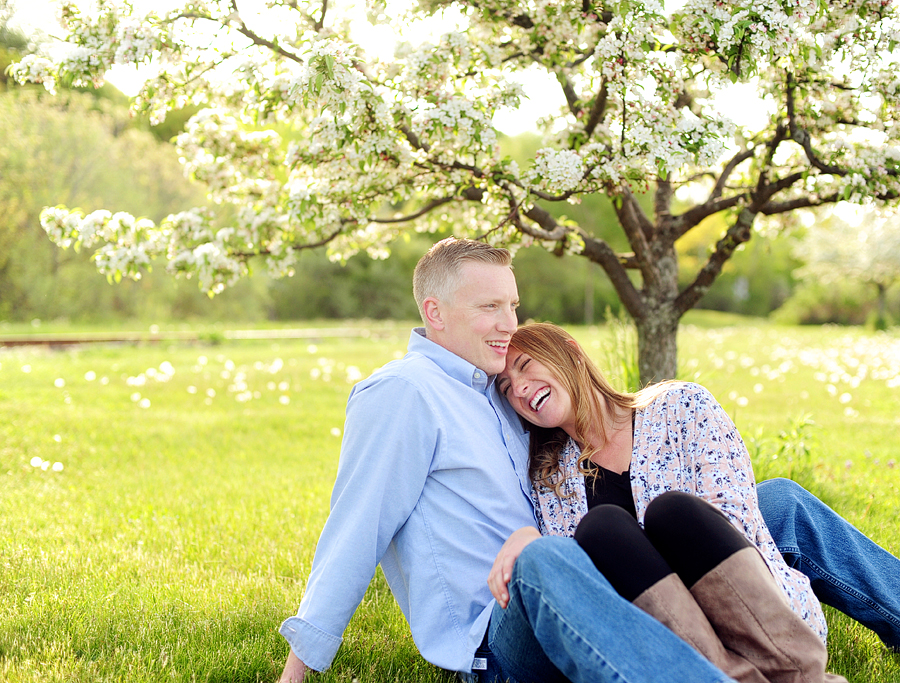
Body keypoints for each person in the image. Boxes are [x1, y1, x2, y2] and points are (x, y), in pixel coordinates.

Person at [277, 239, 733, 683]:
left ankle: (791, 648)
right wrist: (297, 668)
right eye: (489, 307)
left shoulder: (500, 389)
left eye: (512, 306)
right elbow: (358, 527)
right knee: (542, 560)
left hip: (578, 592)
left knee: (774, 502)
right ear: (435, 312)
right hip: (498, 636)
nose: (508, 324)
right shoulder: (405, 392)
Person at [493, 322, 862, 683]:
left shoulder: (682, 405)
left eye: (525, 364)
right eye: (507, 387)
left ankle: (793, 671)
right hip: (667, 647)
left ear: (571, 352)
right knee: (602, 528)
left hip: (753, 616)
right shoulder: (552, 478)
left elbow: (738, 518)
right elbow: (584, 592)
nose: (520, 388)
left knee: (674, 512)